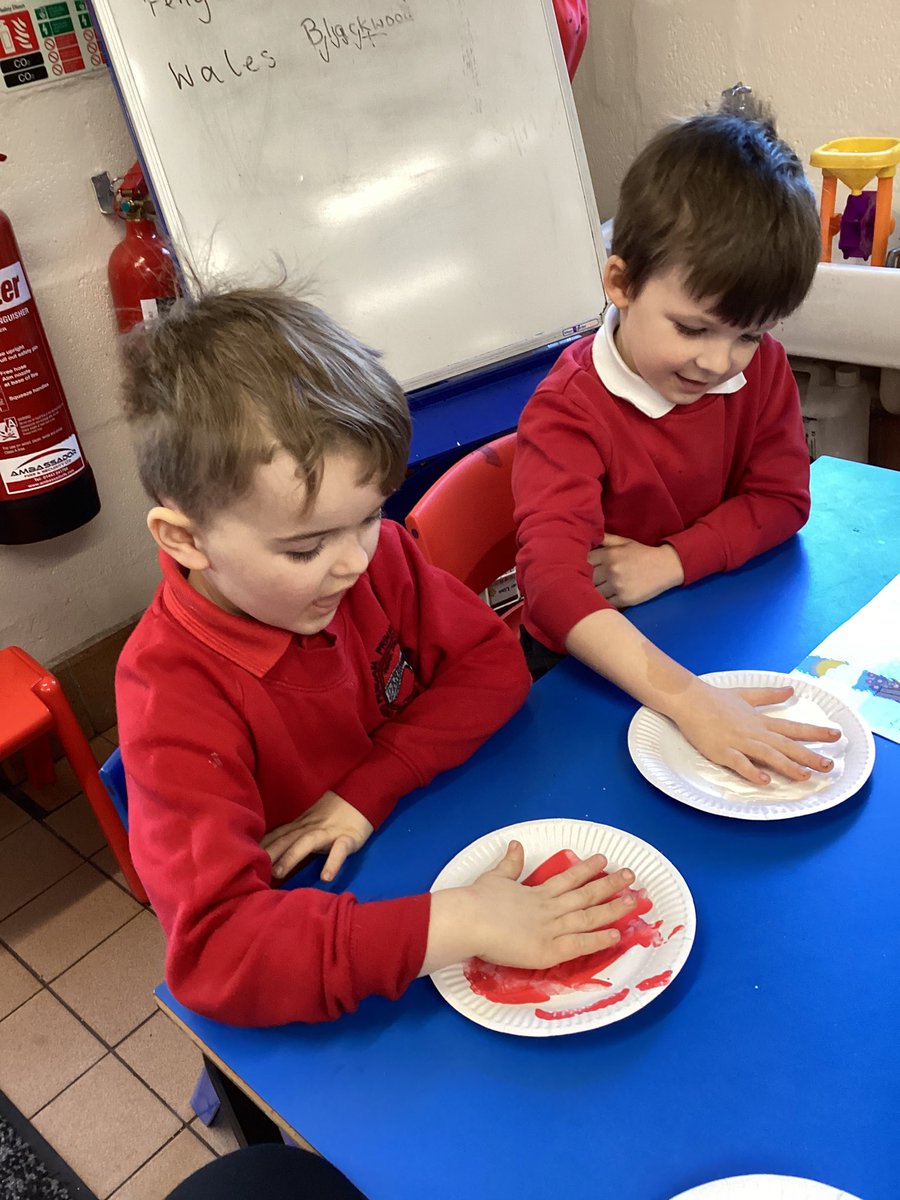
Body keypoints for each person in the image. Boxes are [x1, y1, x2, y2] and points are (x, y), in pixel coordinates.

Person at [116, 287, 641, 1025]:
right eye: (305, 547)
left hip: (411, 846)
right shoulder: (170, 693)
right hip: (332, 956)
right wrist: (462, 924)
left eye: (369, 517)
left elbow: (492, 663)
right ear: (185, 539)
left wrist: (369, 788)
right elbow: (217, 954)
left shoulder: (377, 558)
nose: (353, 564)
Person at [512, 99, 842, 787]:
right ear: (621, 283)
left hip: (701, 616)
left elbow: (782, 498)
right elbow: (551, 589)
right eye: (693, 330)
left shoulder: (763, 367)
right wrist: (690, 700)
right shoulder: (569, 412)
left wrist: (670, 561)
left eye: (748, 334)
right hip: (582, 665)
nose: (721, 362)